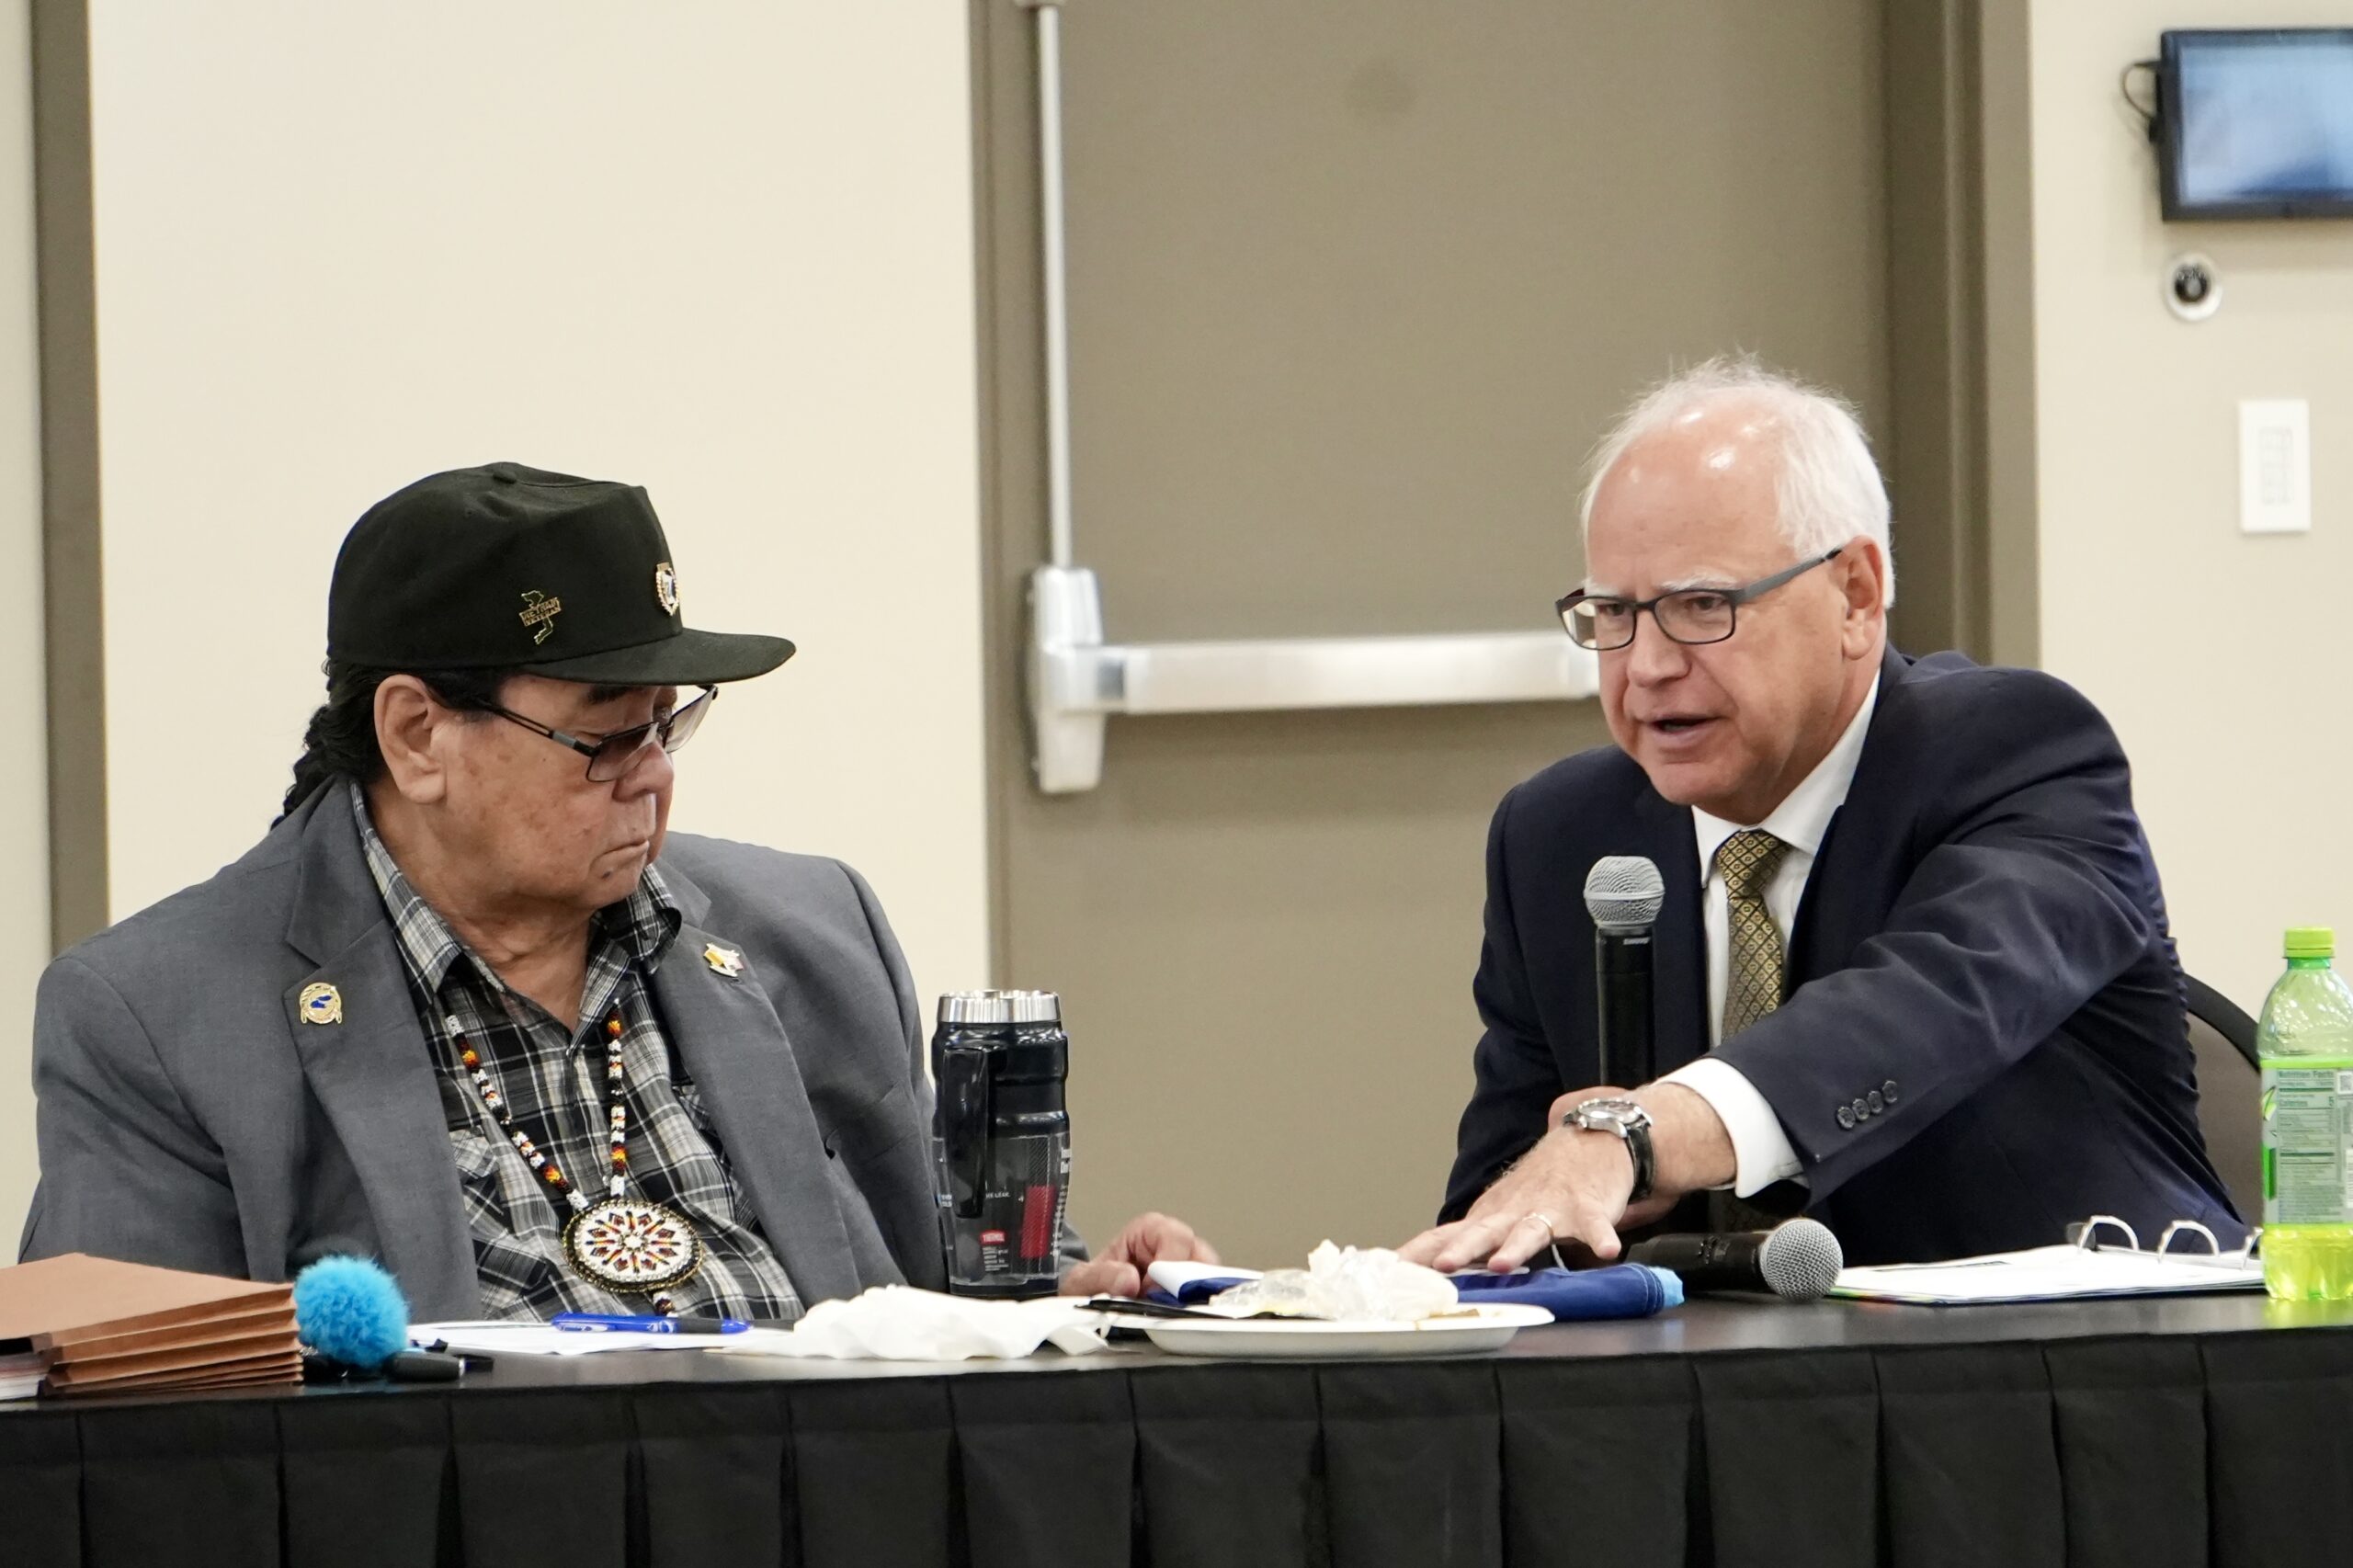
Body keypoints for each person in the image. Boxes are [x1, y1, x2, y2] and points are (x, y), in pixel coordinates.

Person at [20, 462, 1211, 1319]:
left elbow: (934, 1295)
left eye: (668, 727)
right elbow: (127, 1426)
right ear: (418, 733)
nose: (652, 780)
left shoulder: (812, 932)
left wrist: (1061, 1290)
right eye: (602, 739)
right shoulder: (164, 1014)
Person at [1403, 358, 2237, 1275]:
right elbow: (1510, 1206)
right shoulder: (1559, 834)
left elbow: (1921, 1004)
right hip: (1695, 1396)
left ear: (1854, 594)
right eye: (1613, 612)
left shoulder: (2016, 753)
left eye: (1698, 606)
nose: (1642, 667)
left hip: (2075, 1377)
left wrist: (1638, 1133)